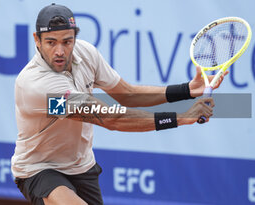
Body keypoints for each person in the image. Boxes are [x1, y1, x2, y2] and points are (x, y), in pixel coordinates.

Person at [11, 3, 227, 205]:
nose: (59, 51)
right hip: (39, 168)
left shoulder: (86, 53)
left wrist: (187, 90)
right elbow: (112, 118)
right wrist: (181, 117)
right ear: (37, 40)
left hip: (81, 166)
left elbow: (127, 95)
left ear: (74, 39)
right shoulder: (38, 86)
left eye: (67, 41)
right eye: (51, 42)